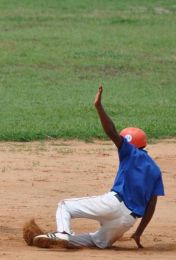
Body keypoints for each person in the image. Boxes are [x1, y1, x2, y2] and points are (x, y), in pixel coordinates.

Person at [25, 84, 165, 249]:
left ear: (129, 143)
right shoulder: (155, 170)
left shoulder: (130, 152)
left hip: (113, 205)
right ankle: (56, 239)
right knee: (97, 241)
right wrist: (138, 232)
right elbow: (151, 206)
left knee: (65, 205)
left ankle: (62, 232)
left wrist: (99, 107)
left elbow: (111, 131)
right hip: (127, 221)